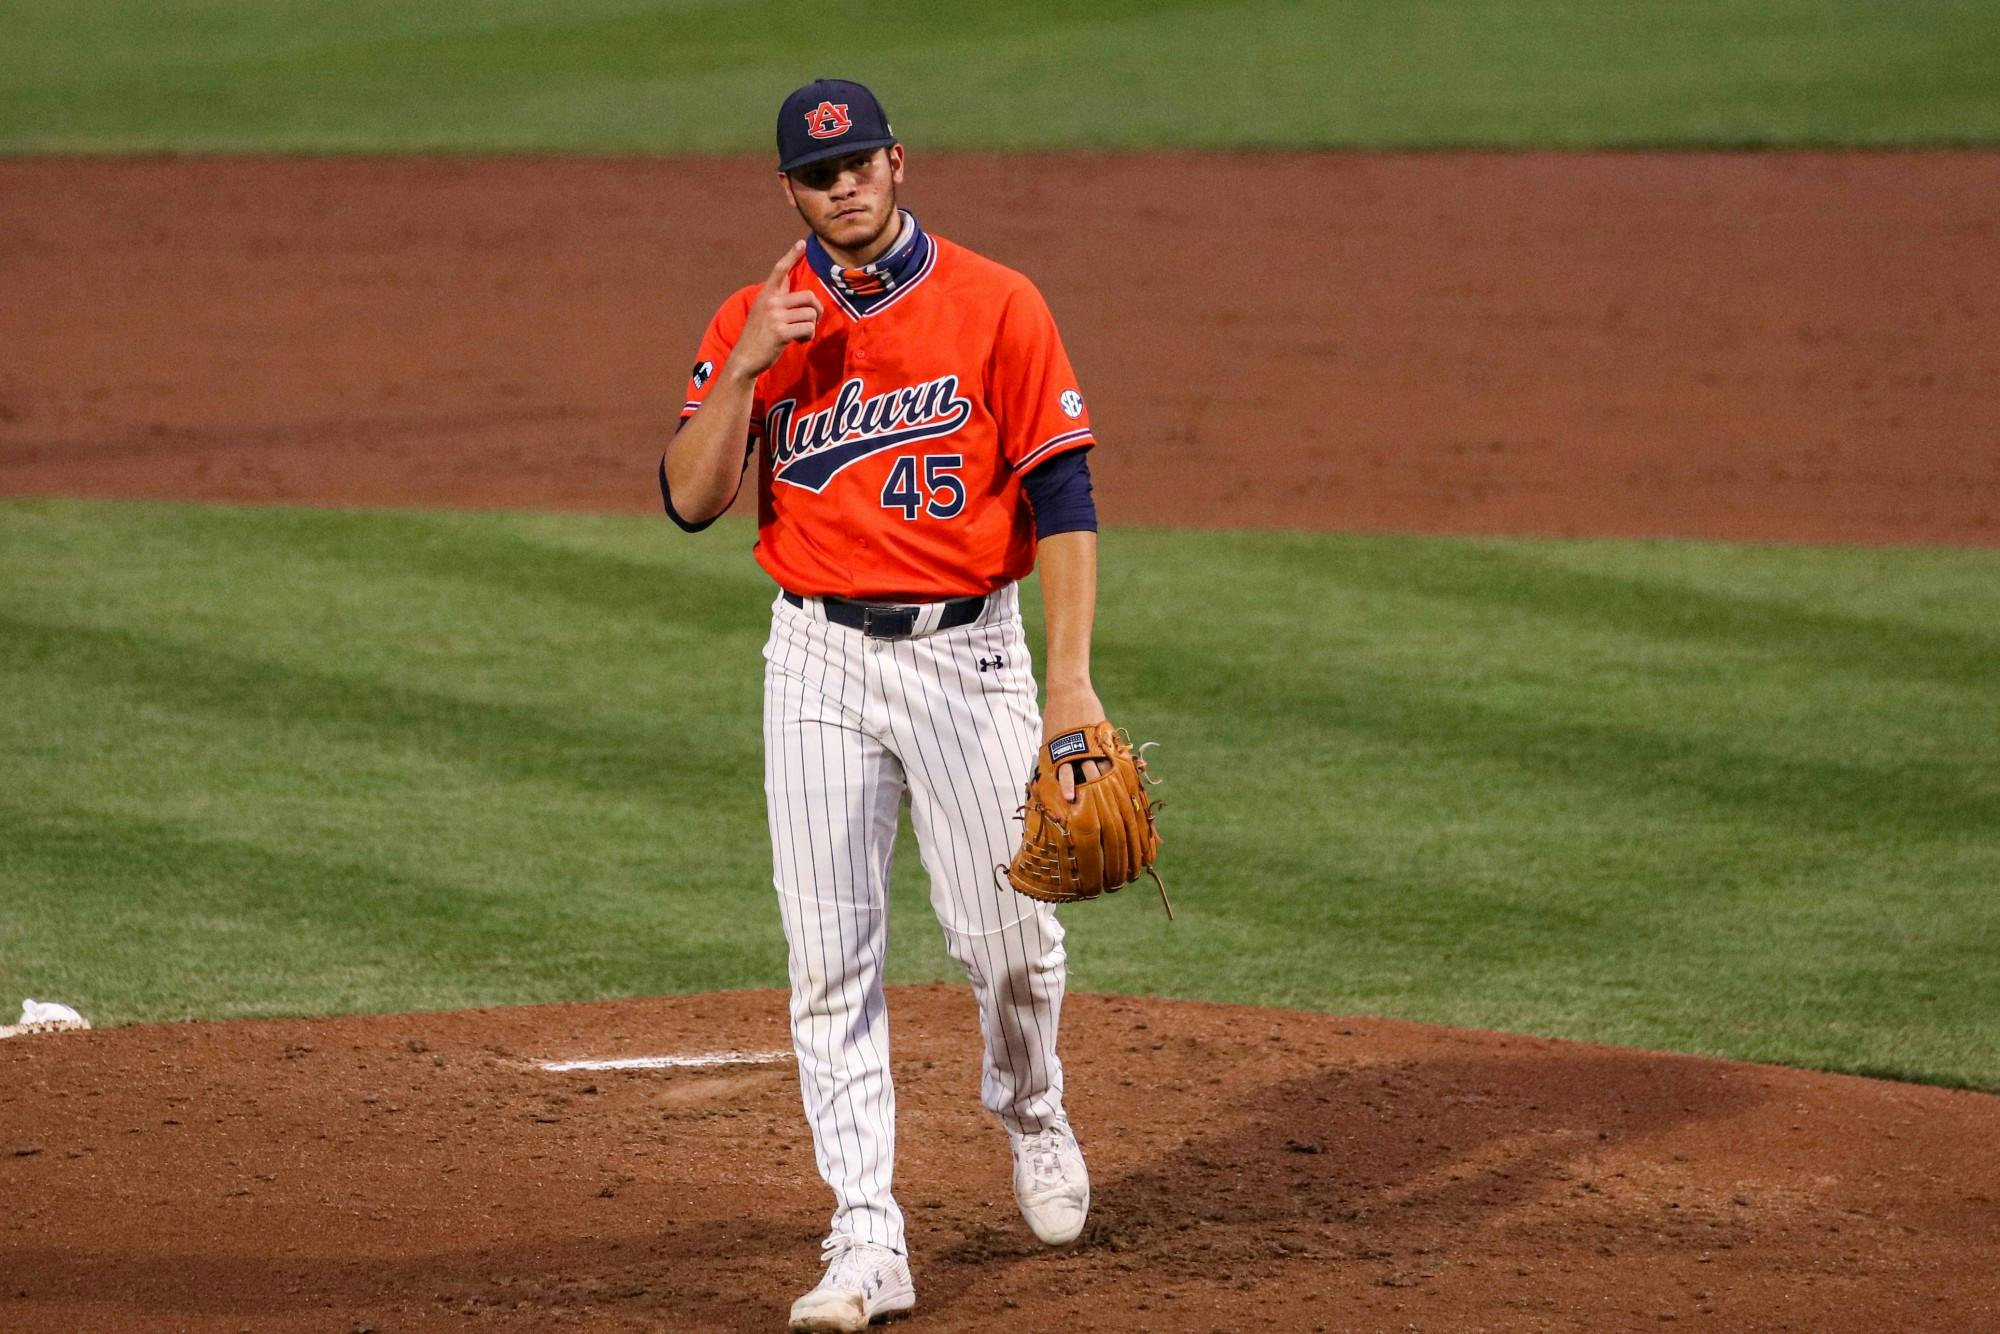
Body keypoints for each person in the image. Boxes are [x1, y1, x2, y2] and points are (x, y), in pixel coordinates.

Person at [661, 78, 1114, 1333]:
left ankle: (1029, 1106)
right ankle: (866, 1234)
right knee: (829, 959)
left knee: (1011, 938)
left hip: (970, 656)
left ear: (898, 163)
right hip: (811, 659)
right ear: (789, 192)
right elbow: (689, 497)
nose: (842, 185)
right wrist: (747, 363)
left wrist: (1067, 683)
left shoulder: (997, 302)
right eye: (817, 175)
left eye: (859, 162)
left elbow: (1064, 501)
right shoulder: (756, 319)